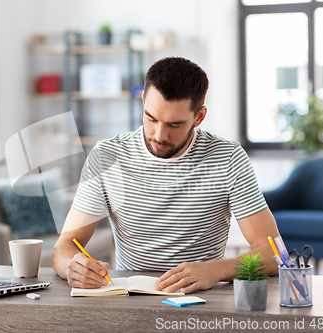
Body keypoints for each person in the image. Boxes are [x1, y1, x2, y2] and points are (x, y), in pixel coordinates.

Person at [52, 56, 280, 294]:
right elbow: (64, 247)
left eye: (174, 125)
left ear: (199, 117)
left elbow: (273, 253)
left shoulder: (227, 158)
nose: (159, 135)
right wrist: (73, 267)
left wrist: (216, 270)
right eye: (151, 118)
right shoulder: (107, 156)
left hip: (200, 301)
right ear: (143, 100)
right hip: (129, 299)